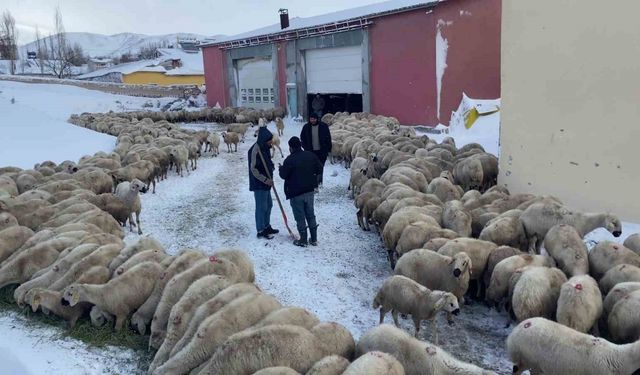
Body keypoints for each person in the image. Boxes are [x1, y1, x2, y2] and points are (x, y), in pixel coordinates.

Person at [279, 136, 322, 247]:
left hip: (295, 192)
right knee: (310, 213)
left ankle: (303, 240)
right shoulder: (310, 155)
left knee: (300, 216)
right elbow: (319, 168)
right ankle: (314, 239)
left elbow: (283, 175)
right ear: (300, 145)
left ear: (291, 147)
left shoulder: (289, 160)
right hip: (309, 191)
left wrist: (281, 168)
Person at [248, 126, 279, 239]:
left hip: (267, 182)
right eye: (269, 140)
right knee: (261, 207)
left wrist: (271, 167)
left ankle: (266, 226)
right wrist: (265, 179)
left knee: (269, 205)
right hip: (259, 183)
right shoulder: (255, 150)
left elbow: (267, 162)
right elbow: (254, 169)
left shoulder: (265, 147)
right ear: (264, 139)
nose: (271, 142)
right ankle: (260, 229)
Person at [300, 113, 331, 187]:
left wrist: (328, 148)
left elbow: (328, 138)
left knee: (320, 166)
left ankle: (319, 182)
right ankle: (313, 183)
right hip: (310, 151)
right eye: (311, 119)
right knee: (311, 167)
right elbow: (302, 138)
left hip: (321, 151)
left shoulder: (323, 126)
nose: (312, 120)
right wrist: (305, 148)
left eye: (314, 119)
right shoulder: (306, 127)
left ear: (317, 119)